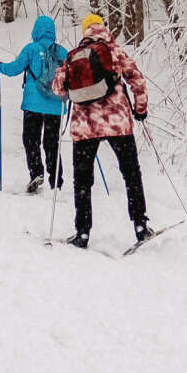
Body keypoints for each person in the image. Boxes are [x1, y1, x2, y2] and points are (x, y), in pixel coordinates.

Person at [53, 13, 151, 249]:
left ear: (85, 30)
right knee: (131, 174)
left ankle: (83, 232)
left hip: (85, 126)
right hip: (118, 124)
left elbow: (58, 89)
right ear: (104, 28)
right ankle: (140, 225)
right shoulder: (115, 52)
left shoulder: (73, 56)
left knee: (83, 180)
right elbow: (137, 80)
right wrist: (140, 109)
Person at [0, 15, 68, 193]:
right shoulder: (63, 52)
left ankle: (36, 172)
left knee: (31, 140)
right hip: (55, 106)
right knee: (52, 143)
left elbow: (14, 69)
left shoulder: (32, 49)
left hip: (33, 105)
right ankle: (56, 180)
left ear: (36, 31)